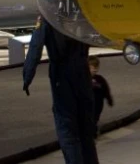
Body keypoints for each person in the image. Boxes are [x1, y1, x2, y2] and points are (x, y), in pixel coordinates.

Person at [23, 16, 99, 164]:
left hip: (62, 75)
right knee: (86, 132)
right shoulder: (81, 12)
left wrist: (27, 76)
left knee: (68, 131)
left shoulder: (49, 15)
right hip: (83, 74)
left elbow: (36, 46)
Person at [88, 56, 113, 135]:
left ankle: (93, 131)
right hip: (88, 104)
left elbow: (106, 89)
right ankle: (90, 132)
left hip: (98, 104)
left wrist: (109, 99)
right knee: (88, 118)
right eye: (92, 67)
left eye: (96, 67)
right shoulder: (83, 79)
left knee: (95, 118)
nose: (95, 69)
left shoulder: (100, 79)